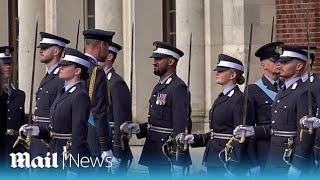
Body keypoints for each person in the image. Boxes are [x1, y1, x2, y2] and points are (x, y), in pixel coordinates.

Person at [233, 45, 315, 176]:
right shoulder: (283, 90)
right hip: (273, 159)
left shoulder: (303, 92)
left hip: (288, 159)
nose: (280, 65)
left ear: (299, 66)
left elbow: (305, 132)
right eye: (278, 61)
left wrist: (298, 165)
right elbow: (277, 127)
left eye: (285, 62)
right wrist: (253, 130)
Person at [121, 41, 192, 176]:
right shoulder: (159, 86)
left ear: (171, 61)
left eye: (159, 59)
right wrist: (138, 128)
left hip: (168, 153)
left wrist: (178, 159)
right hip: (154, 151)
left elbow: (181, 125)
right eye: (155, 59)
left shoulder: (178, 87)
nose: (154, 62)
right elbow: (158, 122)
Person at [20, 47, 91, 175]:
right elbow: (57, 129)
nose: (61, 67)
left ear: (77, 70)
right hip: (55, 153)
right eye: (61, 65)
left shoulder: (79, 95)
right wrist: (38, 131)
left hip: (69, 157)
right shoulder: (64, 93)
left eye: (66, 65)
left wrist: (74, 166)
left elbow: (79, 135)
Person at [182, 54, 250, 176]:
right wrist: (195, 139)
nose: (217, 73)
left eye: (221, 71)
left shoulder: (239, 99)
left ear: (233, 75)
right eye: (217, 70)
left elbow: (241, 136)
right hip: (215, 158)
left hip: (227, 160)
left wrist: (233, 166)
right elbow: (217, 132)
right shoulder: (221, 98)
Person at [246, 42, 284, 175]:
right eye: (275, 61)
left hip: (285, 151)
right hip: (264, 152)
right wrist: (252, 162)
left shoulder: (288, 87)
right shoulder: (253, 90)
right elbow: (247, 128)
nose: (279, 64)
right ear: (264, 65)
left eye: (281, 60)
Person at [30, 32, 70, 160]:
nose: (40, 51)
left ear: (56, 51)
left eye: (45, 48)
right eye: (41, 48)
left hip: (51, 141)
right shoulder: (47, 77)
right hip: (39, 139)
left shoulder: (61, 78)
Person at [98, 41, 133, 175]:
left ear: (109, 56)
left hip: (112, 146)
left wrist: (117, 152)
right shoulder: (95, 81)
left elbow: (121, 119)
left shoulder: (116, 83)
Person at [82, 29, 114, 162]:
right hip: (92, 139)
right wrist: (106, 146)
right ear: (102, 45)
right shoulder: (96, 71)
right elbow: (99, 111)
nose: (108, 52)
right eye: (107, 47)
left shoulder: (71, 67)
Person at [0, 46, 26, 167]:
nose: (7, 67)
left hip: (14, 147)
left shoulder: (19, 94)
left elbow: (21, 123)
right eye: (4, 64)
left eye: (9, 64)